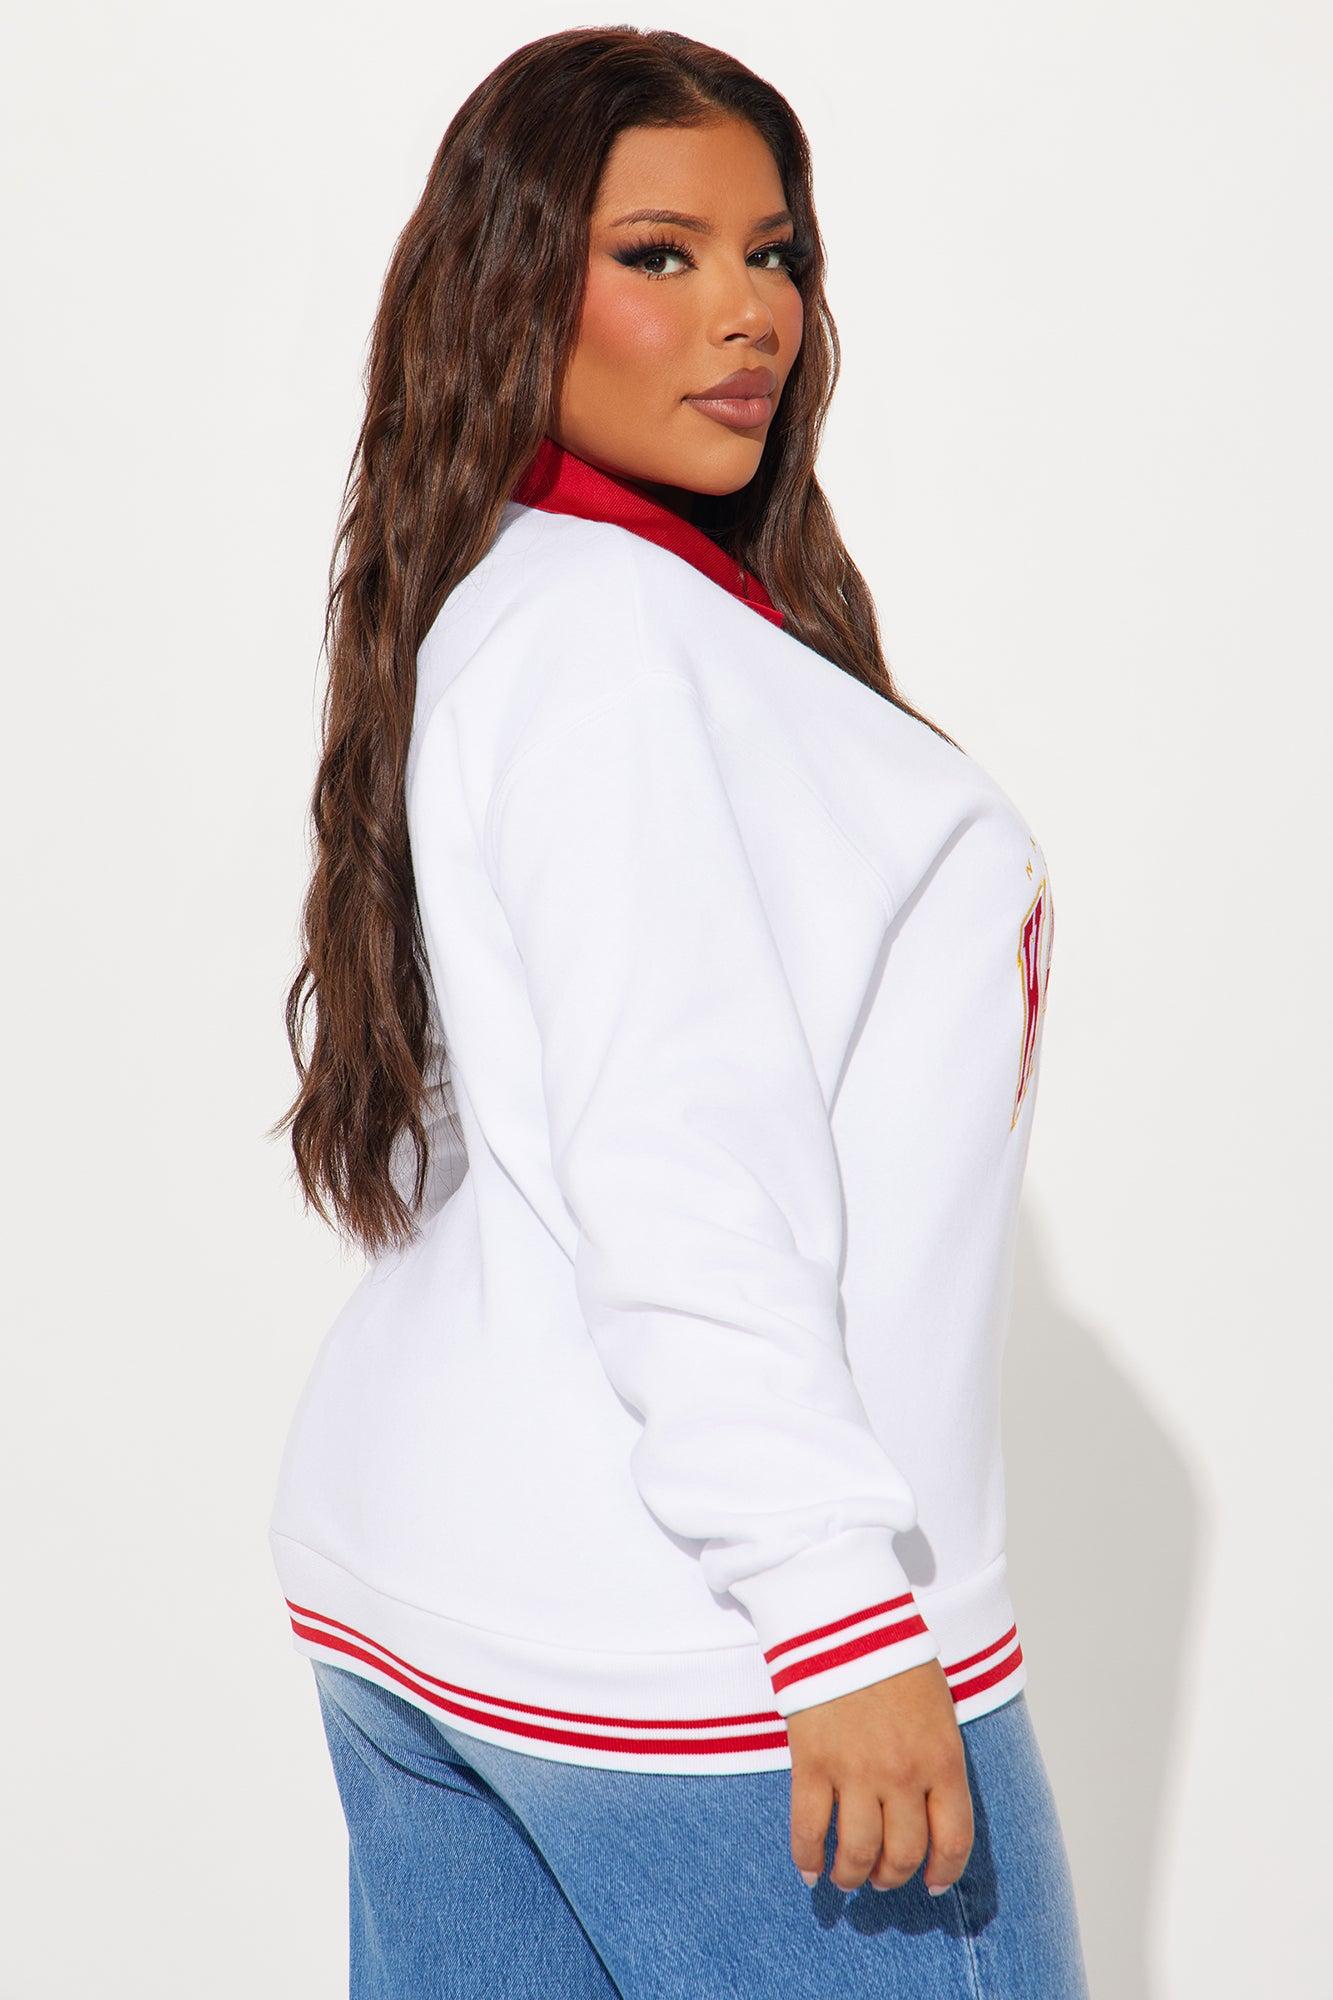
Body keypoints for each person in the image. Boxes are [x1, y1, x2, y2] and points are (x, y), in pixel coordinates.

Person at [268, 24, 1090, 1998]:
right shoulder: (620, 643)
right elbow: (671, 1155)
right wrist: (836, 1615)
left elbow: (518, 1122)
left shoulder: (512, 597)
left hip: (440, 1596)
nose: (747, 312)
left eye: (774, 253)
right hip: (706, 1666)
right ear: (512, 286)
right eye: (659, 253)